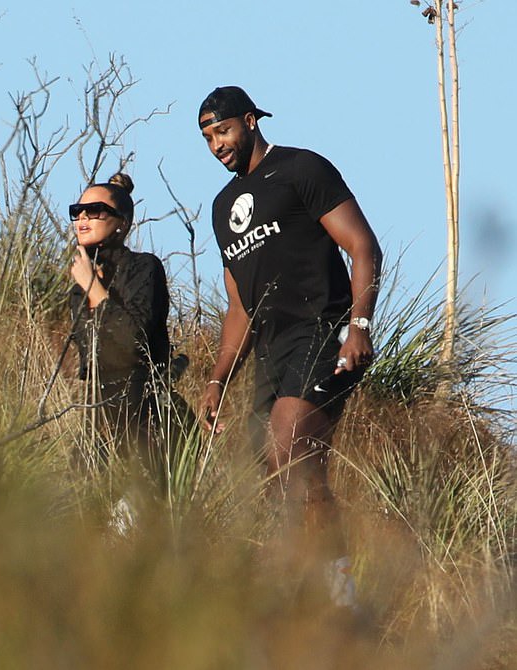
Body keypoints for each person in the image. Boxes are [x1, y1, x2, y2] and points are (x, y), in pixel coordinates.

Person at [197, 86, 382, 607]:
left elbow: (363, 246)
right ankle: (309, 591)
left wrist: (359, 325)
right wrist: (217, 380)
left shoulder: (302, 169)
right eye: (208, 137)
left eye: (224, 131)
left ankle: (340, 592)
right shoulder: (222, 207)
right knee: (281, 474)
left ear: (251, 121)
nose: (217, 145)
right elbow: (240, 307)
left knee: (289, 446)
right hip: (269, 352)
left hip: (320, 330)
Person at [69, 173, 174, 464]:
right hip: (98, 419)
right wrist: (88, 286)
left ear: (122, 223)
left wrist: (96, 290)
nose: (83, 218)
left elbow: (133, 340)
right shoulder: (79, 287)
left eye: (95, 211)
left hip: (145, 416)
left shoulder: (144, 267)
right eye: (77, 212)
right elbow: (90, 354)